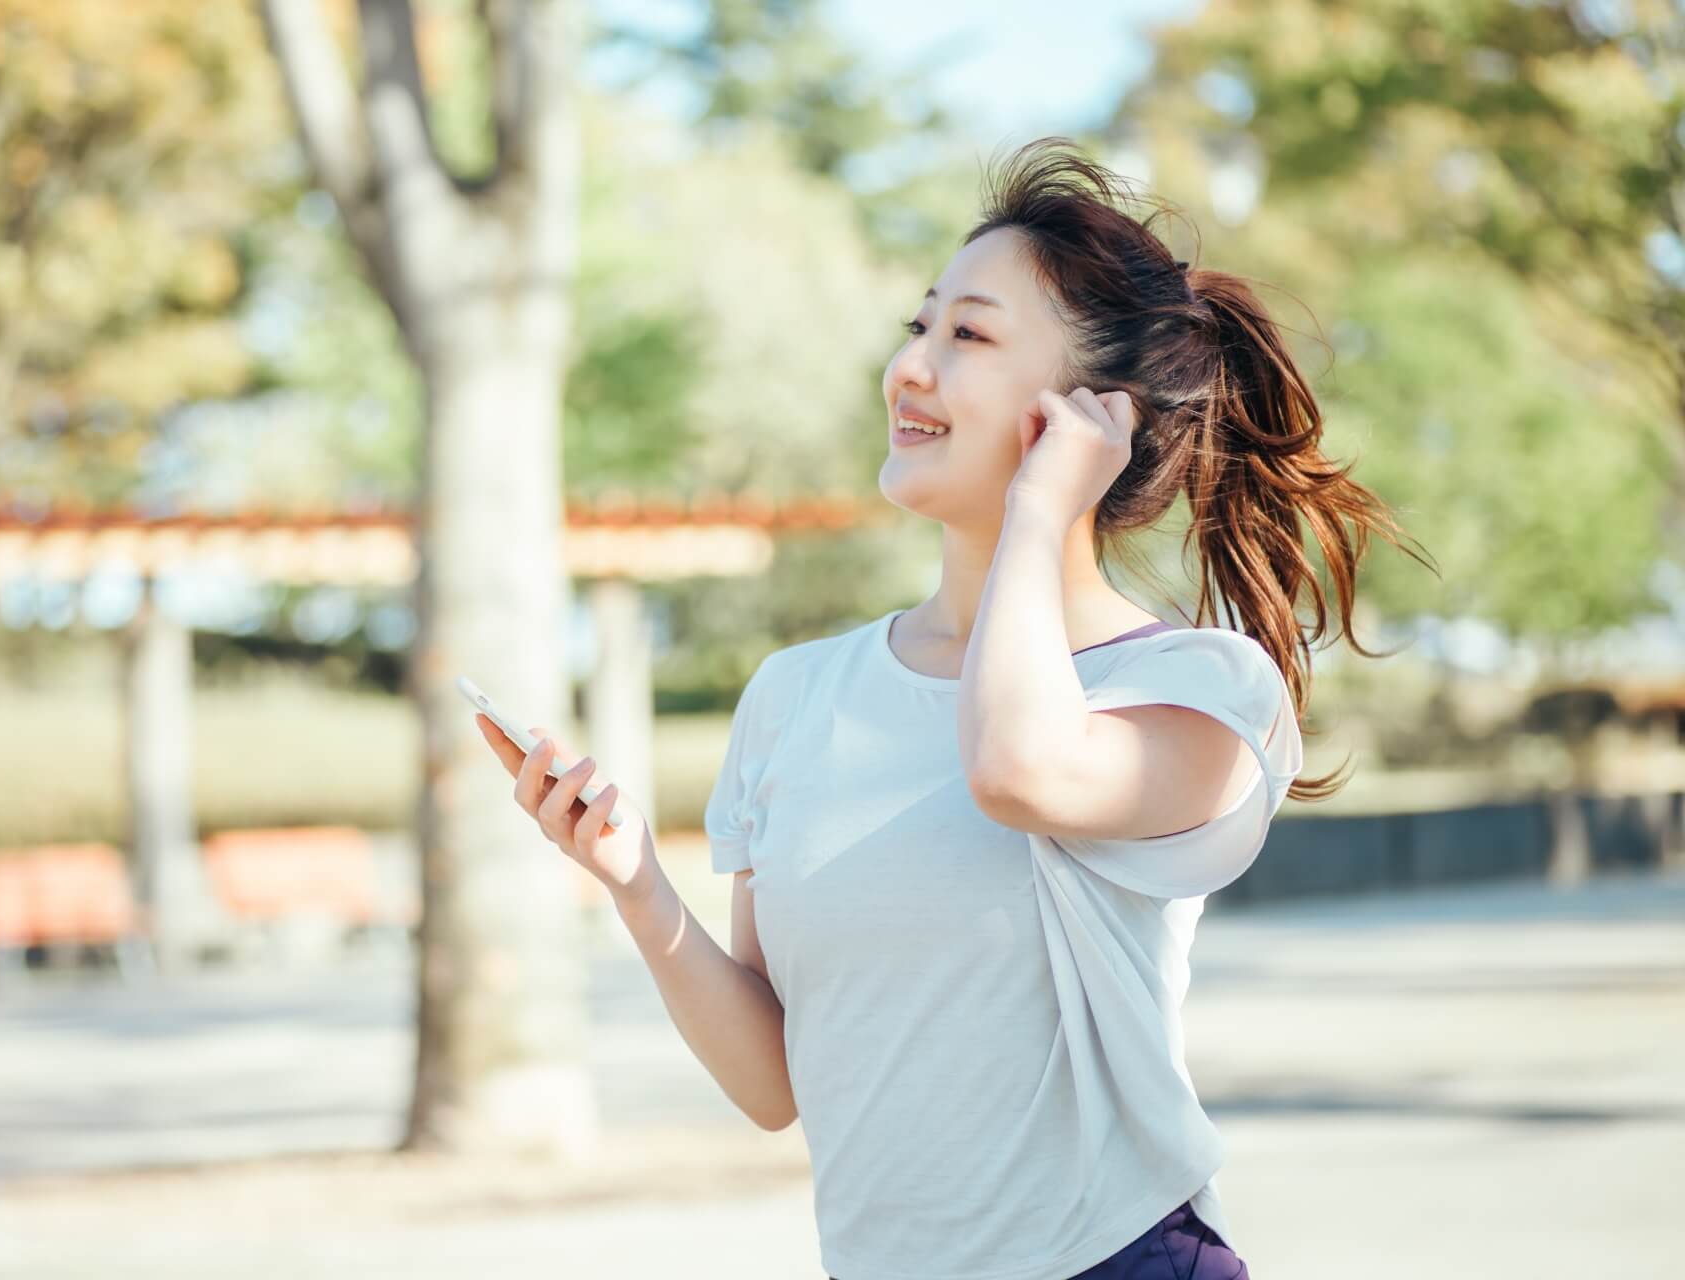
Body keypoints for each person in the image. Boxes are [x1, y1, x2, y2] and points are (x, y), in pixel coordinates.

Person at [476, 137, 1431, 1279]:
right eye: (917, 327)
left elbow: (1014, 770)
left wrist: (1039, 511)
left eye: (969, 335)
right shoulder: (795, 695)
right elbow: (776, 1085)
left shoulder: (1198, 688)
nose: (912, 368)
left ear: (1096, 415)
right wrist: (635, 882)